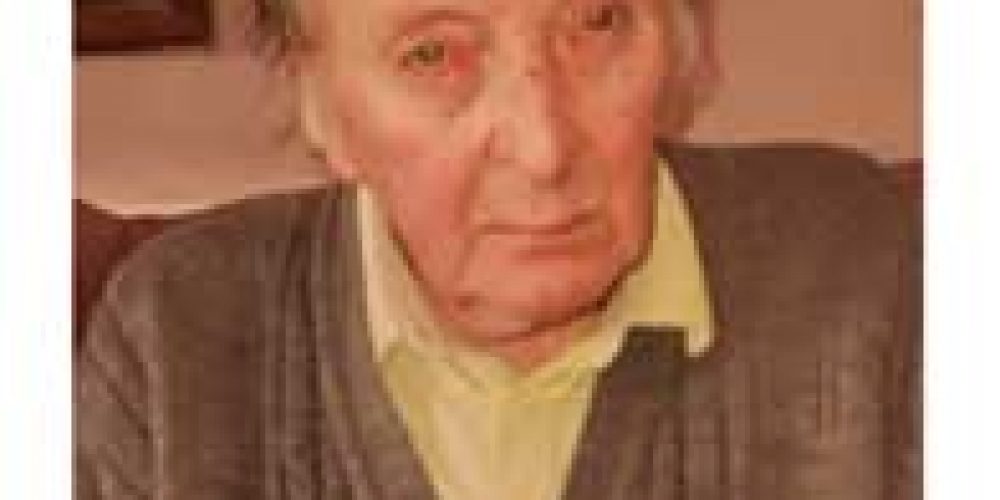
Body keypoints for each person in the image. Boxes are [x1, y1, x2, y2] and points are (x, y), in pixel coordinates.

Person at [75, 0, 919, 498]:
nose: (545, 148)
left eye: (596, 19)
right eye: (433, 53)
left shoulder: (870, 265)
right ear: (321, 107)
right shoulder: (174, 338)